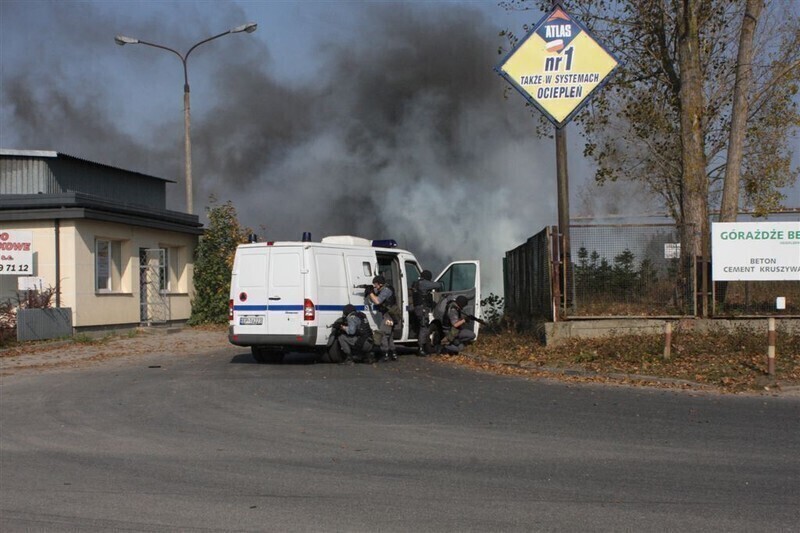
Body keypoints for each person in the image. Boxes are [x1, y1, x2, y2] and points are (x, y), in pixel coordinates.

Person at [367, 275, 400, 362]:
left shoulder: (386, 290)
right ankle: (393, 353)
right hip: (389, 314)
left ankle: (385, 354)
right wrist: (371, 289)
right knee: (389, 335)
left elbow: (377, 301)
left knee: (383, 334)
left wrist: (370, 293)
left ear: (380, 284)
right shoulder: (384, 289)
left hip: (389, 315)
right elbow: (376, 293)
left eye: (376, 284)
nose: (375, 286)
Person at [411, 270, 443, 356]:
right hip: (423, 309)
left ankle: (421, 346)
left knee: (421, 326)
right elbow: (438, 285)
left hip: (418, 308)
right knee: (424, 327)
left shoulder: (416, 283)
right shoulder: (423, 283)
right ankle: (421, 348)